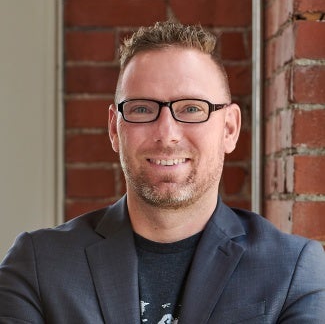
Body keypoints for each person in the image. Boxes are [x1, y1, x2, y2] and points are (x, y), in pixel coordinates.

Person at [0, 21, 324, 324]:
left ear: (229, 128)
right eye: (142, 108)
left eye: (192, 109)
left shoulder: (293, 269)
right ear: (115, 129)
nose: (167, 133)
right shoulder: (38, 265)